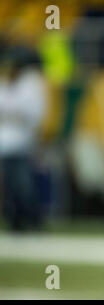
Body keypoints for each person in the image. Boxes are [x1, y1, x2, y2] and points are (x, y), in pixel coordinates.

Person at [0, 48, 46, 231]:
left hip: (22, 143)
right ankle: (15, 222)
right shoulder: (4, 84)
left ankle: (32, 221)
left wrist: (12, 114)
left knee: (24, 185)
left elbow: (32, 114)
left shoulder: (30, 84)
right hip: (4, 143)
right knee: (10, 187)